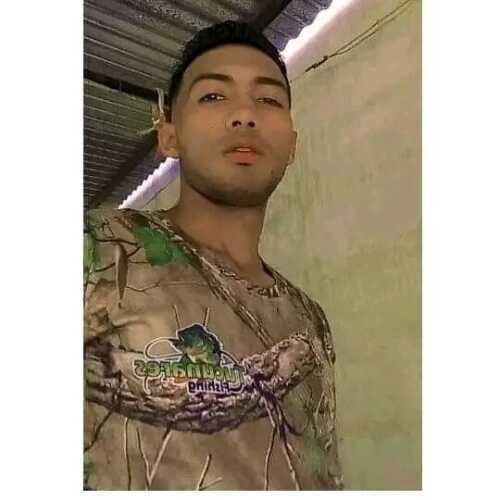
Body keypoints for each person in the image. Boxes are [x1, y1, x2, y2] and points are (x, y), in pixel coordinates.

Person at [84, 20, 343, 491]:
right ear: (169, 137)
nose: (244, 114)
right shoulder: (97, 247)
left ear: (291, 145)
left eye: (268, 100)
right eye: (213, 96)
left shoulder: (310, 320)